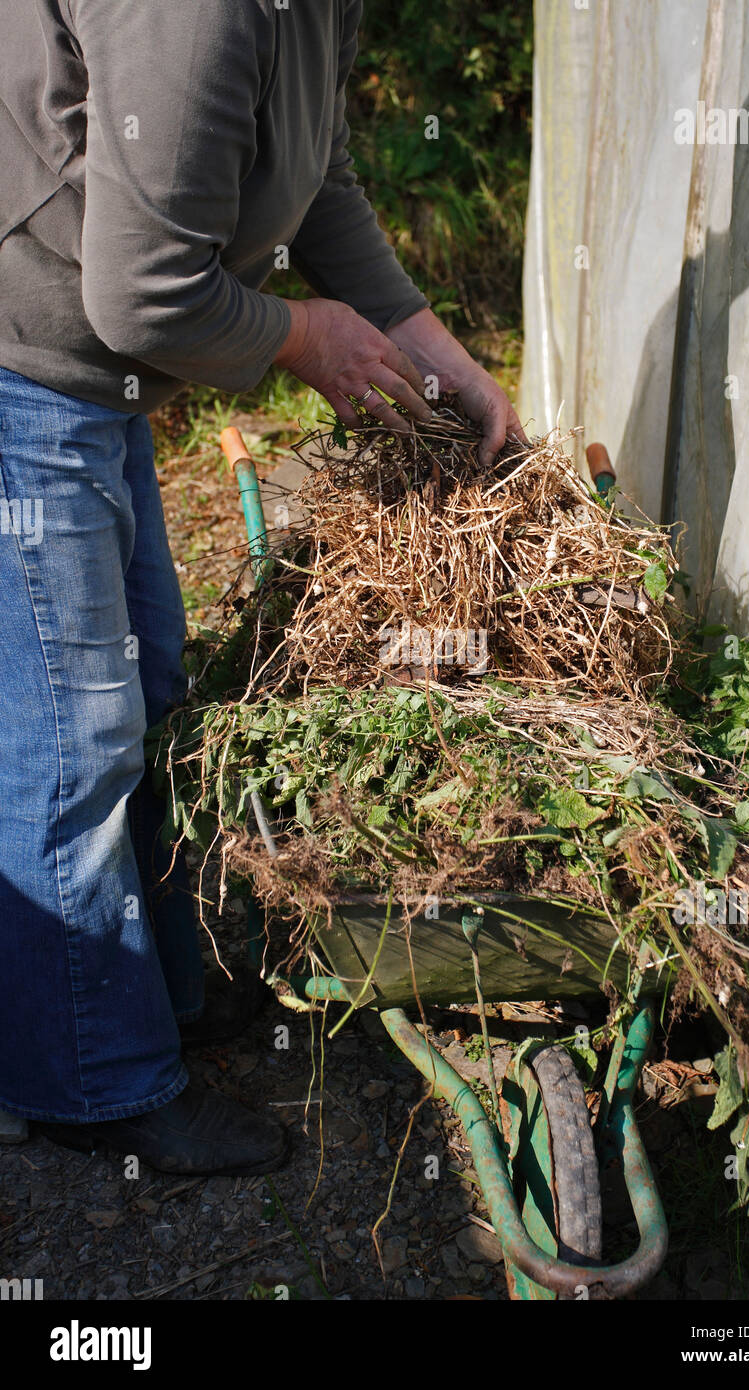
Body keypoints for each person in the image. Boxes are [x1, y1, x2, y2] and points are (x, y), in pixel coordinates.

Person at [0, 0, 524, 1174]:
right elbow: (138, 295)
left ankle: (148, 1001)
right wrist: (298, 336)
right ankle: (88, 1081)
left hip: (103, 381)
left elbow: (317, 182)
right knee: (71, 737)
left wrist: (440, 361)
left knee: (146, 691)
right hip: (26, 362)